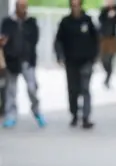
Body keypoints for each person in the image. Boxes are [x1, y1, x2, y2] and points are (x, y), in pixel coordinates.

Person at [54, 0, 99, 129]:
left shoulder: (88, 20)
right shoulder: (65, 22)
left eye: (77, 5)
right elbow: (58, 41)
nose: (75, 8)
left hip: (86, 60)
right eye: (73, 6)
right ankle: (74, 114)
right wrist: (60, 56)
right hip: (71, 61)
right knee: (73, 90)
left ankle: (86, 117)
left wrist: (94, 56)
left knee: (85, 88)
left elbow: (96, 38)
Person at [1, 0, 45, 129]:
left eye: (24, 6)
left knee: (32, 88)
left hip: (27, 60)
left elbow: (35, 39)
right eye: (20, 6)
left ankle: (37, 111)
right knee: (11, 90)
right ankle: (11, 115)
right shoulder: (8, 22)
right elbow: (3, 37)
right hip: (12, 60)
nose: (22, 9)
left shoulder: (31, 22)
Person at [98, 0, 116, 89]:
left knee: (110, 59)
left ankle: (107, 79)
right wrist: (108, 16)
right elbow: (100, 21)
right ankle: (107, 72)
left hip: (112, 38)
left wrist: (115, 16)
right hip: (103, 37)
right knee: (103, 59)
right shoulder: (103, 10)